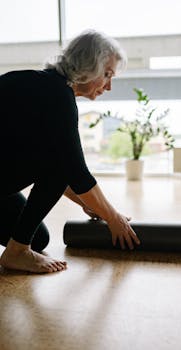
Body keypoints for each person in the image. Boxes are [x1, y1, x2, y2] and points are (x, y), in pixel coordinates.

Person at [0, 29, 140, 274]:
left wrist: (93, 206)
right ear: (89, 66)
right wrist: (113, 218)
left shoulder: (45, 87)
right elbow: (74, 171)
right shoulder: (57, 97)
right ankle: (17, 251)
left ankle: (20, 247)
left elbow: (55, 163)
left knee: (38, 239)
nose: (109, 86)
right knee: (60, 168)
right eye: (107, 74)